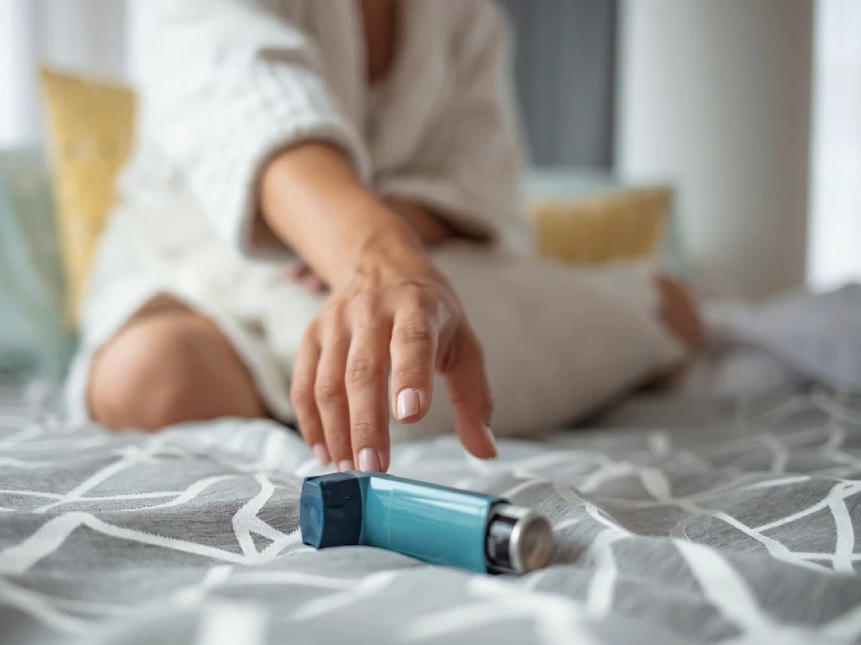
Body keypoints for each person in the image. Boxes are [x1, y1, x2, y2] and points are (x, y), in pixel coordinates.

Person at [65, 0, 703, 474]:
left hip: (419, 263)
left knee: (670, 309)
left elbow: (481, 188)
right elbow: (251, 109)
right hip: (207, 270)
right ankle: (305, 393)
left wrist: (394, 228)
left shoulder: (467, 16)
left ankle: (335, 385)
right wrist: (372, 252)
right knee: (153, 378)